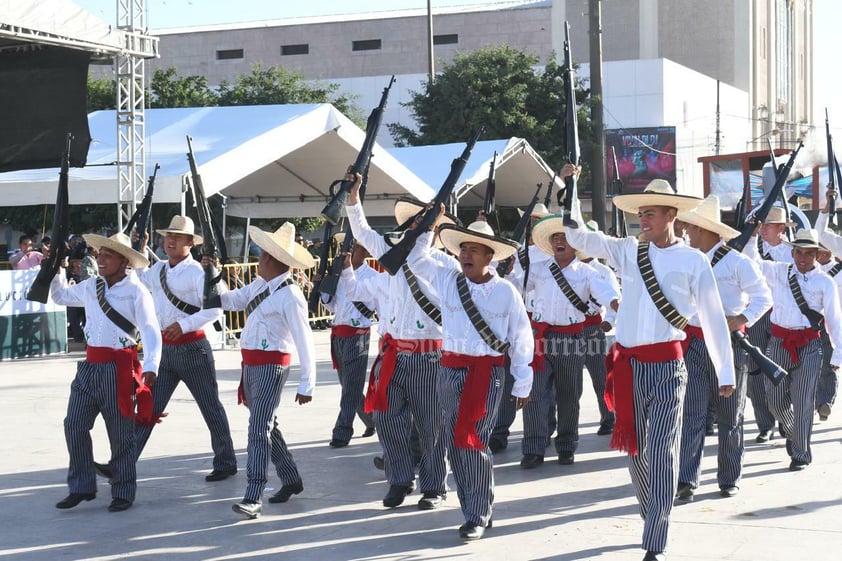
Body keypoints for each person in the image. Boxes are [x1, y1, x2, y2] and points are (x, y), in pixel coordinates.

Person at [561, 168, 734, 561]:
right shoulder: (628, 250)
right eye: (642, 213)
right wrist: (569, 187)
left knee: (660, 451)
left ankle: (656, 536)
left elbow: (711, 317)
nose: (644, 219)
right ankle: (652, 511)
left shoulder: (693, 261)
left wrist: (725, 372)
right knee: (637, 453)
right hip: (628, 368)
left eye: (652, 212)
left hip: (668, 366)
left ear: (672, 214)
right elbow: (579, 236)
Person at [406, 216, 532, 540]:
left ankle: (476, 513)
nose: (466, 255)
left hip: (487, 374)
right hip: (448, 371)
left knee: (473, 441)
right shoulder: (448, 278)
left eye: (474, 250)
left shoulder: (505, 292)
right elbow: (416, 259)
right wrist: (429, 228)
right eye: (463, 249)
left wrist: (522, 380)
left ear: (489, 256)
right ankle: (477, 506)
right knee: (453, 442)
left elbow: (521, 337)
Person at [95, 216, 238, 482]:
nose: (170, 241)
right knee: (147, 408)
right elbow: (137, 274)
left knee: (210, 407)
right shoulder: (159, 269)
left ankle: (226, 460)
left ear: (190, 243)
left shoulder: (198, 271)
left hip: (193, 347)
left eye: (178, 237)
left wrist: (184, 325)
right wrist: (136, 250)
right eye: (168, 236)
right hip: (164, 351)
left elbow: (215, 308)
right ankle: (121, 464)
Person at [343, 172, 452, 511]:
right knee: (387, 420)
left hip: (429, 356)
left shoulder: (444, 265)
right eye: (416, 221)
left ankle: (434, 486)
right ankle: (400, 478)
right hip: (393, 354)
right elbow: (361, 231)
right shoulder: (391, 253)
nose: (418, 226)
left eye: (425, 221)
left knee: (431, 425)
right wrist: (352, 197)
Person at [49, 232, 162, 512]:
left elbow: (150, 329)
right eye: (100, 253)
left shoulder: (136, 291)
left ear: (124, 260)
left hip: (118, 369)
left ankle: (123, 490)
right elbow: (60, 296)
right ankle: (82, 486)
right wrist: (56, 269)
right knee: (74, 424)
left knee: (120, 433)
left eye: (107, 255)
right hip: (89, 367)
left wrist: (151, 364)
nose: (100, 258)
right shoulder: (91, 287)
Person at [674, 195, 772, 500]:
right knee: (692, 413)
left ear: (705, 230)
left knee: (731, 416)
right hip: (693, 343)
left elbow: (763, 297)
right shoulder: (688, 261)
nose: (687, 233)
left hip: (730, 345)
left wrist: (741, 317)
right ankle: (687, 479)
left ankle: (729, 477)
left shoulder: (737, 261)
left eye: (691, 229)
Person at [217, 222, 316, 519]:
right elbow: (231, 301)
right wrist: (214, 278)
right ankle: (290, 478)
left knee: (258, 429)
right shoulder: (261, 285)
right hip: (251, 364)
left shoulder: (291, 295)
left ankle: (254, 493)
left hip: (272, 366)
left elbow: (304, 339)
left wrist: (307, 383)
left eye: (262, 256)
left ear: (274, 259)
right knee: (267, 426)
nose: (258, 260)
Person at [518, 215, 619, 468]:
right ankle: (533, 447)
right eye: (555, 238)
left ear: (575, 244)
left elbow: (608, 295)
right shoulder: (538, 270)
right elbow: (515, 286)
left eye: (565, 237)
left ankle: (566, 445)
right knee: (534, 394)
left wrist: (618, 308)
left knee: (568, 394)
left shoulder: (588, 273)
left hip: (571, 338)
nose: (559, 241)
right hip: (540, 337)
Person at [747, 227, 842, 470]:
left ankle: (801, 453)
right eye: (798, 252)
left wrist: (838, 352)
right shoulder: (779, 271)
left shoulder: (825, 282)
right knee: (774, 400)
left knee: (803, 401)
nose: (802, 258)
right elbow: (754, 263)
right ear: (793, 253)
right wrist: (753, 234)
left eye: (808, 254)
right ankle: (792, 433)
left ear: (816, 254)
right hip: (778, 343)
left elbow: (834, 319)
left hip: (810, 345)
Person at [490, 203, 552, 453]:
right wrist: (507, 268)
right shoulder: (515, 252)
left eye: (538, 220)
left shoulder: (549, 255)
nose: (533, 225)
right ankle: (500, 432)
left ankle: (542, 429)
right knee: (506, 379)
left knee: (542, 383)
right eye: (531, 221)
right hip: (512, 321)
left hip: (540, 323)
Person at [321, 233, 377, 447]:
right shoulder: (338, 275)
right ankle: (373, 419)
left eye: (355, 248)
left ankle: (342, 431)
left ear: (364, 252)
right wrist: (324, 287)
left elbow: (369, 307)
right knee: (348, 385)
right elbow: (333, 306)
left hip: (357, 335)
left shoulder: (371, 276)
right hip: (338, 335)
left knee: (350, 387)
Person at [747, 206, 793, 443]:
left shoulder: (794, 252)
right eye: (762, 225)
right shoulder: (753, 247)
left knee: (781, 371)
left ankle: (786, 420)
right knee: (756, 371)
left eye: (768, 225)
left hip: (782, 317)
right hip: (756, 314)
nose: (763, 229)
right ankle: (764, 424)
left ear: (781, 228)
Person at [813, 188, 842, 420]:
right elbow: (820, 232)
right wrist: (827, 204)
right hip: (828, 320)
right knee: (827, 363)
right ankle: (823, 401)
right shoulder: (838, 244)